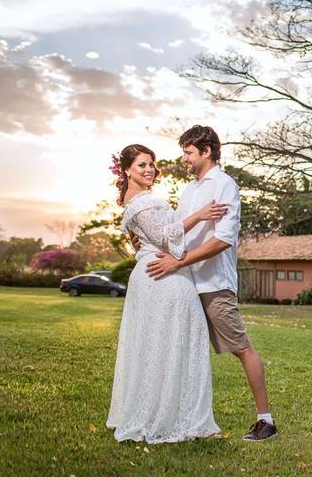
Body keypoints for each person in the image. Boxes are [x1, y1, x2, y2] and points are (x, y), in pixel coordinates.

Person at [144, 125, 278, 442]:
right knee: (184, 351)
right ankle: (182, 419)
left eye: (189, 152)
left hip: (214, 285)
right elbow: (178, 231)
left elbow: (222, 241)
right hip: (186, 285)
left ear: (206, 151)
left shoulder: (224, 185)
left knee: (242, 348)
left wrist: (179, 261)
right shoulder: (190, 191)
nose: (184, 158)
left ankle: (266, 421)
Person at [106, 144, 228, 444]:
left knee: (169, 341)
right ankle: (164, 417)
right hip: (161, 275)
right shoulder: (139, 203)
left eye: (151, 164)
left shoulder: (141, 200)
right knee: (168, 341)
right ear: (126, 170)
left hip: (163, 271)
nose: (149, 170)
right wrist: (200, 215)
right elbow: (164, 236)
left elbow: (155, 234)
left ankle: (182, 414)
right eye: (141, 165)